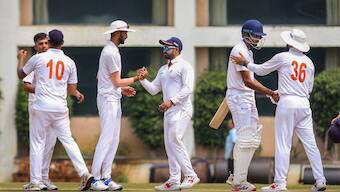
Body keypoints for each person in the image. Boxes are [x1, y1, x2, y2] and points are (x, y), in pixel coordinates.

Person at [231, 28, 327, 192]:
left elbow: (261, 70)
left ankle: (280, 183)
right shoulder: (309, 62)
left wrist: (245, 63)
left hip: (287, 102)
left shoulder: (283, 57)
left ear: (289, 42)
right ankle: (320, 181)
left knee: (283, 144)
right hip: (304, 103)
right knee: (311, 144)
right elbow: (309, 87)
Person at [17, 29, 93, 191]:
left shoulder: (38, 58)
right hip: (60, 108)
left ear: (49, 42)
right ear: (63, 43)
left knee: (37, 144)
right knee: (68, 140)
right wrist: (76, 93)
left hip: (42, 107)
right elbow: (72, 90)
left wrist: (21, 60)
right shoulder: (70, 62)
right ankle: (85, 173)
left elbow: (20, 74)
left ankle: (36, 182)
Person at [138, 37, 200, 191]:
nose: (164, 49)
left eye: (167, 47)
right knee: (169, 144)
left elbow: (188, 89)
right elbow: (153, 90)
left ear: (177, 48)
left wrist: (171, 101)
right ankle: (173, 180)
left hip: (182, 108)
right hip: (169, 111)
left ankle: (191, 175)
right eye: (163, 47)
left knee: (175, 139)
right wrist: (143, 80)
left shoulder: (185, 66)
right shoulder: (163, 69)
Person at [226, 19, 279, 192]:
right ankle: (239, 182)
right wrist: (270, 92)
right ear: (246, 34)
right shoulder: (239, 50)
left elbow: (251, 80)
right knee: (244, 137)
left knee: (254, 137)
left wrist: (266, 91)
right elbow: (248, 81)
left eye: (259, 36)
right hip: (240, 97)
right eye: (256, 36)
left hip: (246, 96)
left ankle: (238, 176)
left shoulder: (247, 52)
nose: (257, 39)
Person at [90, 20, 141, 191]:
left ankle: (106, 177)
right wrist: (136, 79)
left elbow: (101, 77)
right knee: (106, 139)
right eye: (125, 32)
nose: (127, 35)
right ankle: (95, 178)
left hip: (112, 97)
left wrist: (121, 89)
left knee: (113, 139)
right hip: (108, 99)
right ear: (118, 33)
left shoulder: (111, 51)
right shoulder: (111, 52)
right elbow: (116, 80)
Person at [18, 32, 59, 190]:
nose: (44, 46)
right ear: (35, 46)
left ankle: (44, 178)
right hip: (37, 106)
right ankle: (36, 180)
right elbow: (26, 85)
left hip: (52, 107)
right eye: (41, 44)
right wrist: (45, 90)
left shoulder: (53, 61)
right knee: (38, 144)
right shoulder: (35, 61)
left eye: (46, 43)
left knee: (50, 144)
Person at [225, 119, 236, 185]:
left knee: (231, 168)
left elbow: (234, 142)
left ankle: (233, 181)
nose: (228, 124)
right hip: (230, 154)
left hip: (231, 154)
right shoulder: (232, 131)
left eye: (229, 123)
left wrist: (232, 153)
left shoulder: (233, 131)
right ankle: (232, 180)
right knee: (231, 168)